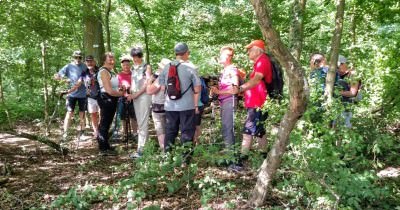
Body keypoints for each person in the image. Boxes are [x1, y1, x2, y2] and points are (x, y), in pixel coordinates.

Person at [158, 42, 201, 163]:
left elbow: (162, 88)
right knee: (187, 132)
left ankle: (167, 158)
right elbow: (197, 89)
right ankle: (185, 160)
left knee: (170, 131)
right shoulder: (190, 68)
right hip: (187, 105)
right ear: (186, 53)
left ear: (176, 53)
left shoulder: (166, 67)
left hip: (170, 106)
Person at [238, 40, 272, 163]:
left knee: (248, 129)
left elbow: (257, 80)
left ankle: (243, 156)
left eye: (250, 49)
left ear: (258, 50)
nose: (248, 52)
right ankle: (265, 155)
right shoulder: (260, 62)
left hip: (257, 103)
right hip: (256, 103)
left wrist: (240, 88)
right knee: (259, 130)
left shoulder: (262, 61)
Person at [54, 50, 88, 139]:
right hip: (71, 94)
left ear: (81, 58)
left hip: (82, 94)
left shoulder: (84, 66)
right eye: (76, 57)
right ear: (73, 57)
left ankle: (82, 132)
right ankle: (65, 133)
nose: (78, 59)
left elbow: (82, 80)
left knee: (82, 113)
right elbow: (59, 75)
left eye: (80, 57)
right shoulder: (68, 66)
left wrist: (77, 84)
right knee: (69, 112)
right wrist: (58, 76)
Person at [97, 52, 126, 155]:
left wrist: (120, 88)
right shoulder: (104, 71)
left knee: (107, 122)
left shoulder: (111, 71)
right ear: (104, 59)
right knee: (104, 123)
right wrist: (121, 94)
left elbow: (113, 87)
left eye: (113, 58)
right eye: (110, 58)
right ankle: (103, 149)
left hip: (112, 98)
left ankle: (106, 146)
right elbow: (108, 90)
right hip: (106, 98)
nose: (112, 60)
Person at [210, 46, 239, 149]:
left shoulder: (232, 70)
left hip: (229, 102)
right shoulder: (225, 70)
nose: (220, 57)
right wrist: (216, 90)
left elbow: (235, 90)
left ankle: (232, 160)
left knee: (227, 128)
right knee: (225, 127)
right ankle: (229, 154)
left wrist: (219, 91)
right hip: (224, 102)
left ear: (228, 57)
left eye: (221, 55)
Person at [128, 47, 152, 158]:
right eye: (133, 57)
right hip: (135, 97)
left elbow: (147, 83)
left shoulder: (146, 67)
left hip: (144, 97)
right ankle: (145, 147)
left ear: (141, 57)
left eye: (137, 57)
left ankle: (141, 150)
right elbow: (133, 82)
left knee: (142, 122)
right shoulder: (133, 68)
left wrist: (136, 94)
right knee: (140, 122)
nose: (135, 59)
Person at [146, 58, 171, 151]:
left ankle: (164, 150)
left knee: (160, 128)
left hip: (159, 106)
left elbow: (149, 91)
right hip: (171, 106)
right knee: (169, 128)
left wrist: (149, 80)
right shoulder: (174, 76)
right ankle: (170, 148)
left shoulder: (160, 78)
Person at [336, 55, 361, 128]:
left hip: (348, 104)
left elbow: (353, 93)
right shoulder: (338, 75)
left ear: (343, 64)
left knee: (345, 124)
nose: (337, 69)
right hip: (338, 104)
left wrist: (337, 92)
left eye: (338, 67)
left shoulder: (353, 75)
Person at [117, 56, 137, 141]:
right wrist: (121, 88)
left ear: (130, 65)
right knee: (123, 116)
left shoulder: (134, 74)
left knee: (133, 116)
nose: (126, 66)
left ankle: (135, 133)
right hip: (122, 98)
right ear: (122, 66)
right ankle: (125, 134)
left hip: (133, 98)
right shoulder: (118, 75)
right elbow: (116, 87)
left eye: (127, 65)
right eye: (124, 65)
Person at [84, 55, 100, 139]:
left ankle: (102, 130)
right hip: (90, 97)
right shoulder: (84, 72)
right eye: (88, 61)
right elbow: (80, 82)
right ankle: (96, 132)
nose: (89, 63)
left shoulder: (100, 70)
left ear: (94, 61)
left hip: (100, 96)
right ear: (85, 63)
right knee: (93, 114)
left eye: (91, 61)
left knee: (102, 114)